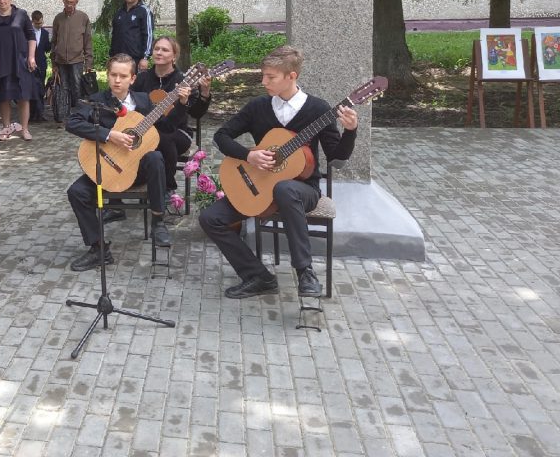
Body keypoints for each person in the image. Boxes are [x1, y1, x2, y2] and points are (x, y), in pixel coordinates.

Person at [199, 45, 357, 299]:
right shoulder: (258, 107)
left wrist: (350, 132)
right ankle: (257, 276)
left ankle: (305, 273)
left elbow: (337, 160)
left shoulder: (318, 109)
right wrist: (249, 155)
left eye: (270, 77)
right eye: (263, 75)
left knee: (284, 188)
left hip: (302, 189)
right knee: (210, 218)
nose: (263, 82)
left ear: (291, 76)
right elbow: (221, 136)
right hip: (261, 186)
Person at [65, 54, 189, 270]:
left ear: (132, 79)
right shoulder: (96, 100)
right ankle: (98, 249)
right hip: (107, 168)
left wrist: (182, 103)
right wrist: (109, 135)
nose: (117, 80)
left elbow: (168, 128)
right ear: (107, 75)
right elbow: (72, 122)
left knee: (155, 157)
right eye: (113, 75)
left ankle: (158, 221)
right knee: (76, 192)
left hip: (137, 170)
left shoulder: (144, 101)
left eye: (123, 76)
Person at [131, 36, 212, 207]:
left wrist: (202, 93)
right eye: (156, 49)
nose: (159, 52)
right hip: (145, 131)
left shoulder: (183, 80)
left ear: (174, 56)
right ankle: (131, 182)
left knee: (163, 137)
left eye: (165, 50)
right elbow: (130, 105)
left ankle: (168, 187)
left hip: (177, 133)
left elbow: (197, 113)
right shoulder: (142, 79)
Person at [0, 0, 37, 140]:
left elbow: (31, 37)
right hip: (0, 62)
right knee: (3, 97)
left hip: (20, 62)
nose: (2, 2)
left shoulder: (21, 14)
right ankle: (6, 128)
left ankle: (24, 129)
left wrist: (31, 57)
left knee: (23, 96)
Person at [50, 0, 94, 123]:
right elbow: (54, 41)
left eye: (72, 2)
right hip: (61, 60)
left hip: (77, 60)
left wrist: (89, 62)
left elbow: (88, 41)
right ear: (63, 1)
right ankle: (64, 116)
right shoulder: (58, 18)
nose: (69, 5)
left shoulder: (83, 18)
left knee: (77, 87)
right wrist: (53, 63)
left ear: (76, 2)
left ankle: (79, 115)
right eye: (67, 2)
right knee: (63, 88)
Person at [110, 0, 153, 72]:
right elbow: (114, 35)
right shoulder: (119, 12)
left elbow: (149, 35)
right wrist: (111, 56)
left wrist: (145, 57)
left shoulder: (144, 11)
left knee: (135, 81)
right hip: (118, 58)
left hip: (136, 59)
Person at [30, 10, 52, 122]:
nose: (39, 25)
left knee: (41, 89)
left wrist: (52, 43)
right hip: (30, 64)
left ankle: (40, 113)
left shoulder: (45, 33)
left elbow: (47, 48)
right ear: (32, 21)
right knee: (31, 89)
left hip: (41, 64)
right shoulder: (28, 32)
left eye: (41, 23)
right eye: (37, 23)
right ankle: (31, 114)